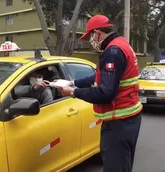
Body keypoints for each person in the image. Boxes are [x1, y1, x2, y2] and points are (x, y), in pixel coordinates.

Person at [58, 15, 142, 172]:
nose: (91, 41)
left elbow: (105, 93)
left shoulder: (113, 52)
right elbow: (99, 77)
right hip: (127, 120)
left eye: (90, 36)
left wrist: (73, 93)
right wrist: (73, 83)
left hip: (118, 122)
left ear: (97, 33)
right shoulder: (121, 44)